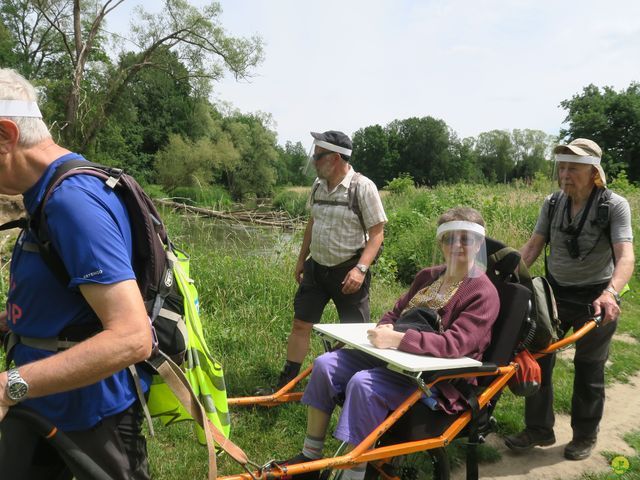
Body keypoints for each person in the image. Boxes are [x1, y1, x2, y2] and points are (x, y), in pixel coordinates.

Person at [0, 69, 153, 479]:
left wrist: (8, 386)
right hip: (37, 399)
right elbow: (67, 295)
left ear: (5, 135)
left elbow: (132, 337)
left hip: (89, 415)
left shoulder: (73, 201)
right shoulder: (44, 190)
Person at [276, 207, 499, 480]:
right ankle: (310, 457)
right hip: (398, 357)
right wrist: (385, 326)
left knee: (363, 384)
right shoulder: (428, 276)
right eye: (449, 238)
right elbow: (397, 311)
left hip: (436, 379)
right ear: (440, 243)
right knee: (325, 364)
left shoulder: (483, 292)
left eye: (465, 238)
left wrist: (398, 339)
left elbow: (456, 344)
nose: (456, 245)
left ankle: (354, 474)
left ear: (478, 244)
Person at [504, 138, 635, 461]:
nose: (565, 174)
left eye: (573, 168)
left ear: (594, 173)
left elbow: (626, 257)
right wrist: (509, 279)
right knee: (538, 357)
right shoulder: (552, 203)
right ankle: (538, 429)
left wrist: (611, 293)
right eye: (561, 167)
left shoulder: (614, 206)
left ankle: (585, 435)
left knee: (589, 367)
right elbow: (534, 246)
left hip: (598, 297)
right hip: (554, 294)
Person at [261, 130, 386, 393]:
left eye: (319, 156)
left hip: (348, 271)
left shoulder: (362, 187)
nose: (314, 161)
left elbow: (377, 234)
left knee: (356, 333)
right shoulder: (318, 186)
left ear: (337, 158)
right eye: (314, 156)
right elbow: (312, 223)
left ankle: (355, 386)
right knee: (301, 323)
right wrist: (300, 261)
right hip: (316, 268)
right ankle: (288, 381)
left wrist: (360, 270)